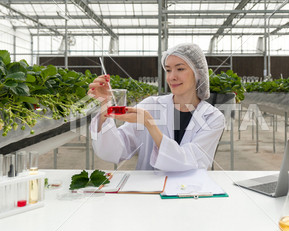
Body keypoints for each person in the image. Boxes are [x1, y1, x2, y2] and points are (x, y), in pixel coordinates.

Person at [88, 43, 225, 171]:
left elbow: (189, 162)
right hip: (149, 192)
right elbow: (115, 150)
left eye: (180, 69)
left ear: (199, 73)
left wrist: (149, 124)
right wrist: (105, 105)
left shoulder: (213, 117)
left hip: (191, 192)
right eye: (168, 70)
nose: (172, 77)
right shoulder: (150, 105)